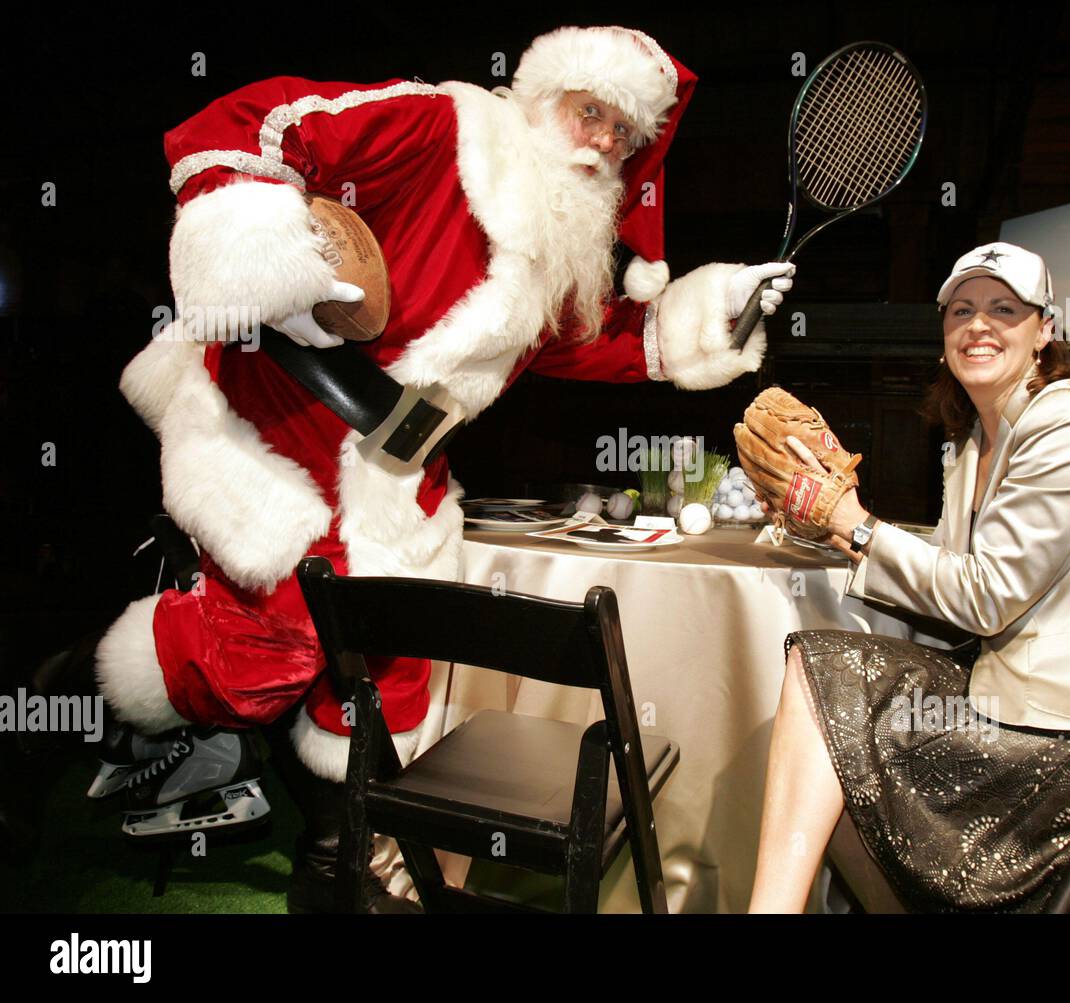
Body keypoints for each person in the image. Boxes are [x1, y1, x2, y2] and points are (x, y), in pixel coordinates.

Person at [5, 25, 796, 911]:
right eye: (590, 113)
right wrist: (247, 237)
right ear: (540, 100)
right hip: (280, 433)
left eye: (625, 134)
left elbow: (590, 339)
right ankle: (63, 692)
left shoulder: (555, 253)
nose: (606, 143)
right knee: (257, 656)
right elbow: (254, 121)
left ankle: (337, 865)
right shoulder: (440, 125)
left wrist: (704, 320)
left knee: (390, 675)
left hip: (397, 481)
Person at [747, 242, 1070, 913]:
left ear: (1043, 331)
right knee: (820, 680)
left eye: (1003, 308)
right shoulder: (973, 444)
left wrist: (860, 523)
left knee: (832, 722)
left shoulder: (1067, 428)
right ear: (944, 336)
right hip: (1018, 699)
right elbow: (951, 569)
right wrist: (833, 524)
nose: (978, 323)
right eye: (962, 310)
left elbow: (985, 594)